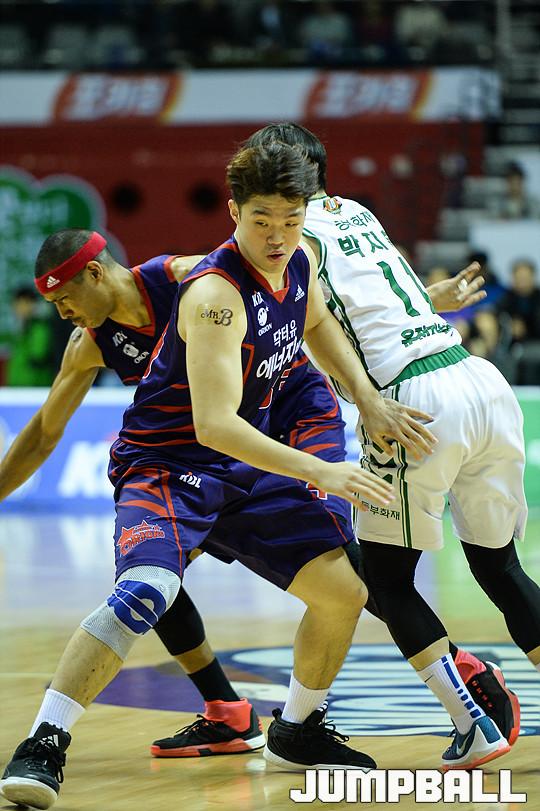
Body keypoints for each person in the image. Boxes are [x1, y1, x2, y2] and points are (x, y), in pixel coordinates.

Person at [1, 142, 443, 809]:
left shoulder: (197, 276)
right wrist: (323, 469)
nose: (278, 235)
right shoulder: (153, 314)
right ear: (237, 214)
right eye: (264, 220)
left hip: (245, 450)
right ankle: (44, 741)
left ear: (94, 273)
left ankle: (297, 726)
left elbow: (312, 316)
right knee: (149, 586)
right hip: (169, 463)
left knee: (344, 589)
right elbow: (45, 433)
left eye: (290, 220)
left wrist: (401, 335)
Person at [243, 123, 537, 771]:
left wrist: (365, 400)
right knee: (502, 570)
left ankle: (473, 725)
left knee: (384, 579)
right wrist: (434, 300)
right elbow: (378, 306)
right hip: (478, 380)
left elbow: (316, 325)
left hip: (413, 401)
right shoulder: (354, 212)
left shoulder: (290, 241)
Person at [6, 286, 56, 387]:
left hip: (35, 387)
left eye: (24, 303)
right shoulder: (21, 328)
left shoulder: (40, 328)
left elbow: (38, 355)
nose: (19, 308)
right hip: (17, 386)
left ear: (33, 304)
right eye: (16, 304)